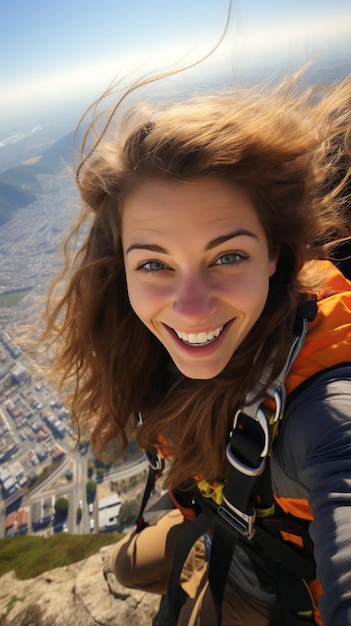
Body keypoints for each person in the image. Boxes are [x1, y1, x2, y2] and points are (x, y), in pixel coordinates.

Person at [43, 66, 351, 626]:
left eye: (228, 256)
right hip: (211, 514)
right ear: (123, 271)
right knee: (123, 565)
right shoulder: (140, 343)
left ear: (276, 254)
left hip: (266, 583)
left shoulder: (325, 409)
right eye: (155, 264)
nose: (189, 309)